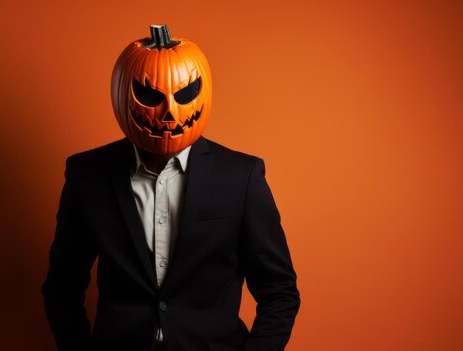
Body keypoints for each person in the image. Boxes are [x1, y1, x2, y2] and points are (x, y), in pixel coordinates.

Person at [41, 25, 300, 351]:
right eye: (150, 95)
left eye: (184, 94)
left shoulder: (241, 176)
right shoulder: (87, 175)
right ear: (121, 93)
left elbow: (279, 290)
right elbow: (62, 290)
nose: (169, 113)